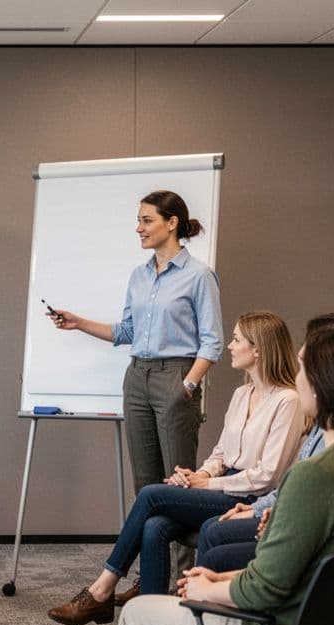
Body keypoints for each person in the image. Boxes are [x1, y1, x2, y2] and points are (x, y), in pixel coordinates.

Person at [113, 324, 334, 625]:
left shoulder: (314, 477)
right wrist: (220, 578)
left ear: (321, 387)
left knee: (134, 616)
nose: (297, 378)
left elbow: (264, 592)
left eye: (303, 370)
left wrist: (207, 591)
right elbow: (303, 574)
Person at [47, 310, 303, 625]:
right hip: (222, 485)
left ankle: (103, 588)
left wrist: (205, 486)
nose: (229, 345)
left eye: (237, 339)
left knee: (152, 494)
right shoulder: (243, 395)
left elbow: (267, 475)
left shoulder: (288, 401)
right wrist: (202, 474)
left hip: (250, 498)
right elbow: (221, 453)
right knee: (155, 526)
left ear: (258, 350)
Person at [49, 189, 223, 499]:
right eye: (138, 221)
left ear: (171, 223)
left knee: (179, 480)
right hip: (136, 379)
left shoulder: (199, 276)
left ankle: (183, 551)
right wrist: (79, 323)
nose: (138, 228)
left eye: (146, 220)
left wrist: (188, 385)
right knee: (145, 484)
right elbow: (128, 331)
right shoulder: (139, 276)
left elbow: (212, 342)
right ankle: (151, 549)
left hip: (176, 376)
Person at [194, 313, 334, 573]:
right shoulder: (330, 438)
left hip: (303, 544)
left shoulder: (325, 450)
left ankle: (196, 604)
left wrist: (270, 514)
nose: (297, 379)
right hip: (282, 517)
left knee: (202, 530)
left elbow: (282, 486)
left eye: (304, 368)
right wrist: (261, 510)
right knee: (169, 524)